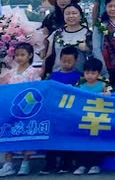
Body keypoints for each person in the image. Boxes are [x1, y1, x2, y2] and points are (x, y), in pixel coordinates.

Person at [0, 44, 41, 177]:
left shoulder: (32, 72)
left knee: (26, 134)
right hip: (12, 109)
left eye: (22, 55)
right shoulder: (12, 72)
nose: (19, 58)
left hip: (27, 110)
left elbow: (37, 89)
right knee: (8, 134)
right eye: (17, 55)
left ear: (30, 55)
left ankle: (25, 163)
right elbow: (4, 86)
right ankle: (8, 164)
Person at [39, 46, 81, 175]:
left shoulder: (79, 76)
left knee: (69, 137)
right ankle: (50, 163)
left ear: (76, 61)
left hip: (70, 113)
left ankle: (67, 163)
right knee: (52, 137)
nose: (67, 64)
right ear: (60, 59)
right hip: (55, 113)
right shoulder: (53, 76)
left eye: (70, 61)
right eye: (64, 61)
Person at [72, 58, 109, 175]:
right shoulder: (80, 86)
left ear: (99, 73)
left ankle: (95, 164)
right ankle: (82, 165)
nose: (90, 75)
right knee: (82, 142)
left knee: (96, 142)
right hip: (83, 119)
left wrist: (107, 93)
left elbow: (111, 98)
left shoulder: (104, 85)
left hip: (98, 120)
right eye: (87, 73)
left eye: (93, 73)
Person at [44, 3, 94, 76]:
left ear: (80, 16)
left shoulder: (88, 34)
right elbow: (48, 55)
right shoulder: (57, 33)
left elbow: (94, 56)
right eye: (67, 14)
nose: (71, 16)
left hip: (80, 76)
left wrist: (87, 49)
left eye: (74, 13)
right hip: (57, 74)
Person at [41, 0, 81, 74]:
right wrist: (44, 54)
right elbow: (44, 36)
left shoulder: (79, 17)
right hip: (55, 52)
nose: (63, 1)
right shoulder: (50, 17)